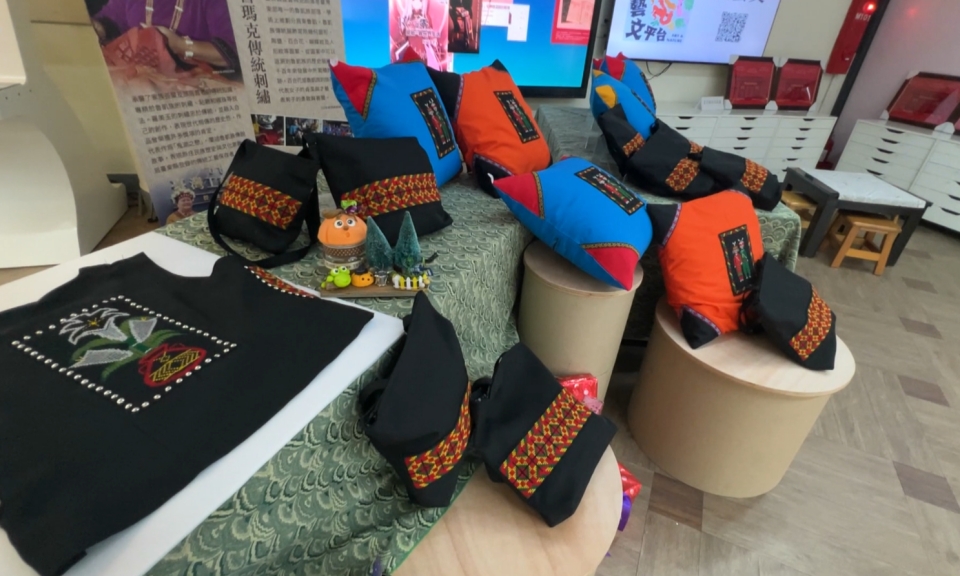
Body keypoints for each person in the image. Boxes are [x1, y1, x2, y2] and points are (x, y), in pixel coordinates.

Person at [91, 0, 239, 74]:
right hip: (138, 78)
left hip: (193, 87)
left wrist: (181, 46)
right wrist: (98, 28)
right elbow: (110, 19)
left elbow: (231, 53)